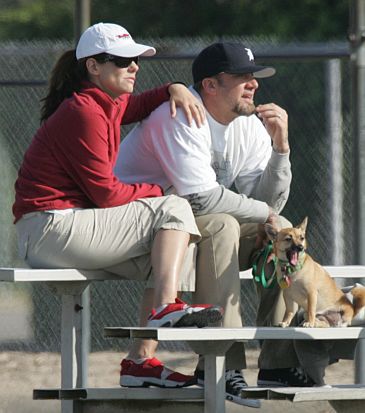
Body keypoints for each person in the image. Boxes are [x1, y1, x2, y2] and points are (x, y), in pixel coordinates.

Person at [12, 23, 224, 389]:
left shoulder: (103, 102)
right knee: (173, 208)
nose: (134, 67)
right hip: (47, 228)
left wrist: (172, 88)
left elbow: (138, 103)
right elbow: (106, 196)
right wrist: (155, 190)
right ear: (94, 67)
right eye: (124, 60)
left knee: (176, 249)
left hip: (62, 227)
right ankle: (164, 309)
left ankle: (141, 360)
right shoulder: (84, 111)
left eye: (136, 59)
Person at [114, 41, 291, 407]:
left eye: (254, 76)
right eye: (242, 76)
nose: (253, 84)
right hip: (130, 226)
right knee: (223, 225)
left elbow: (269, 205)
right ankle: (222, 363)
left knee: (284, 233)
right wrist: (264, 214)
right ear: (210, 85)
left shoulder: (247, 126)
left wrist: (280, 149)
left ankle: (279, 360)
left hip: (181, 226)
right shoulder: (180, 113)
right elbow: (201, 199)